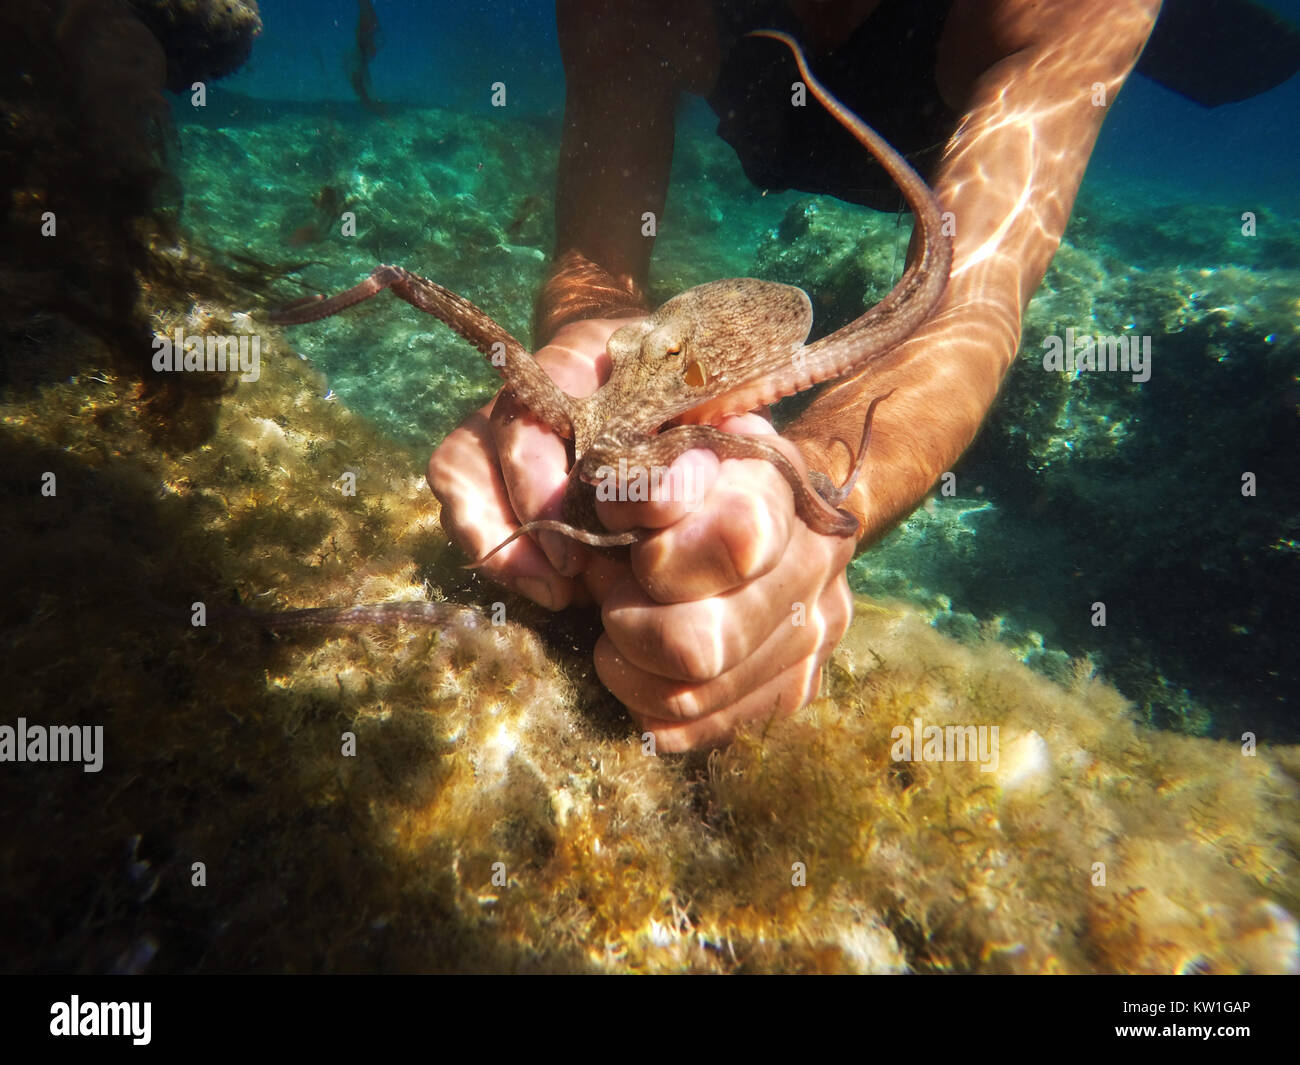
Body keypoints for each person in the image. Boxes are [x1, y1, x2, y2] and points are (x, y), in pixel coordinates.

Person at [426, 0, 1290, 751]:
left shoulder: (1054, 10)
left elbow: (965, 305)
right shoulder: (636, 7)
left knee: (1233, 52)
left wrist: (816, 502)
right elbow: (598, 263)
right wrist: (584, 339)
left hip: (968, 76)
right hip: (775, 101)